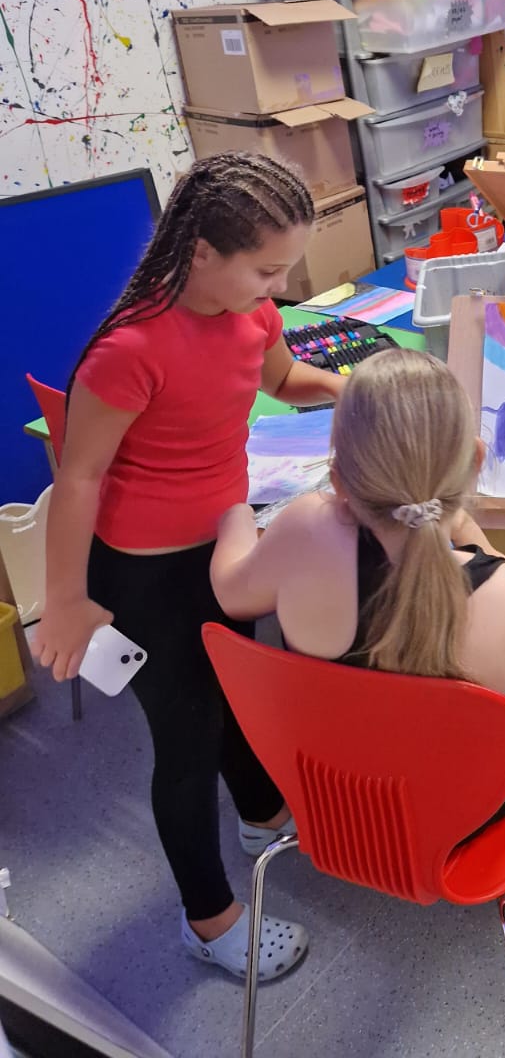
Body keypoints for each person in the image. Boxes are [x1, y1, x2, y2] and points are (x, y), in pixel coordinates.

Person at [30, 154, 342, 981]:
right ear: (202, 252)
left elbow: (284, 378)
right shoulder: (131, 349)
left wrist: (348, 388)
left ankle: (261, 811)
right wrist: (65, 598)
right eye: (267, 270)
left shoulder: (253, 316)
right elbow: (80, 479)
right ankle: (209, 920)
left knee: (235, 687)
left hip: (223, 549)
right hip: (143, 576)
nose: (279, 288)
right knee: (187, 738)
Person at [210, 349, 505, 900]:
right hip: (465, 805)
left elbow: (231, 594)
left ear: (338, 479)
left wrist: (233, 511)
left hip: (337, 788)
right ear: (477, 461)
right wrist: (479, 547)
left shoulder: (303, 528)